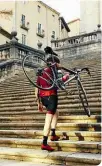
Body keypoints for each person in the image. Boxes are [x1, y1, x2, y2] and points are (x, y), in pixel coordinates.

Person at [35, 48, 69, 151]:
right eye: (58, 64)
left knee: (56, 112)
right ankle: (44, 143)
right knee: (48, 119)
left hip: (44, 98)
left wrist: (39, 103)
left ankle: (53, 134)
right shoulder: (53, 71)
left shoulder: (41, 72)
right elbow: (58, 83)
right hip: (51, 96)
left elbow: (36, 87)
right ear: (55, 63)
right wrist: (65, 77)